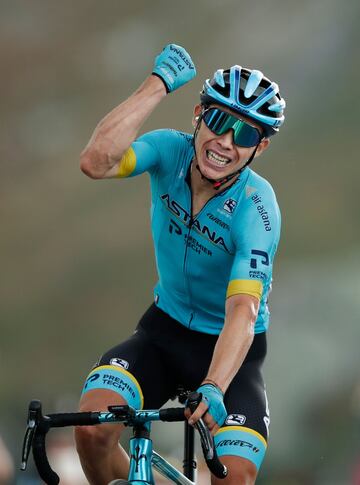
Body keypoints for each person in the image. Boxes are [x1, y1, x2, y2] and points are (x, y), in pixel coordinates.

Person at [75, 44, 286, 485]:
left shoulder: (257, 207)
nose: (225, 142)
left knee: (233, 477)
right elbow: (96, 162)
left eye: (244, 135)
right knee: (92, 429)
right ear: (198, 115)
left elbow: (243, 311)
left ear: (259, 147)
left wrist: (215, 383)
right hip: (163, 332)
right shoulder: (168, 151)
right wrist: (156, 85)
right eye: (218, 121)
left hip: (229, 354)